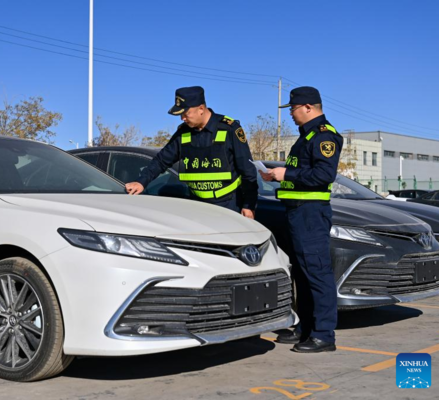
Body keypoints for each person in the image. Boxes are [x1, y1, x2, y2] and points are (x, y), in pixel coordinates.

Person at [259, 86, 342, 353]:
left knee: (318, 273)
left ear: (308, 107)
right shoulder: (305, 137)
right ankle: (305, 327)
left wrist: (287, 175)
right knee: (304, 274)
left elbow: (323, 176)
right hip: (297, 211)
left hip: (311, 213)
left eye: (293, 109)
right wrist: (276, 175)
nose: (291, 114)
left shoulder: (324, 136)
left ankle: (324, 335)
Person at [125, 86, 258, 217]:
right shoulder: (183, 133)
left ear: (201, 109)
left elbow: (247, 170)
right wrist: (141, 181)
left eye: (185, 113)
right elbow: (161, 161)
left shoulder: (229, 129)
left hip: (228, 205)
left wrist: (249, 205)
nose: (182, 118)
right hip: (196, 206)